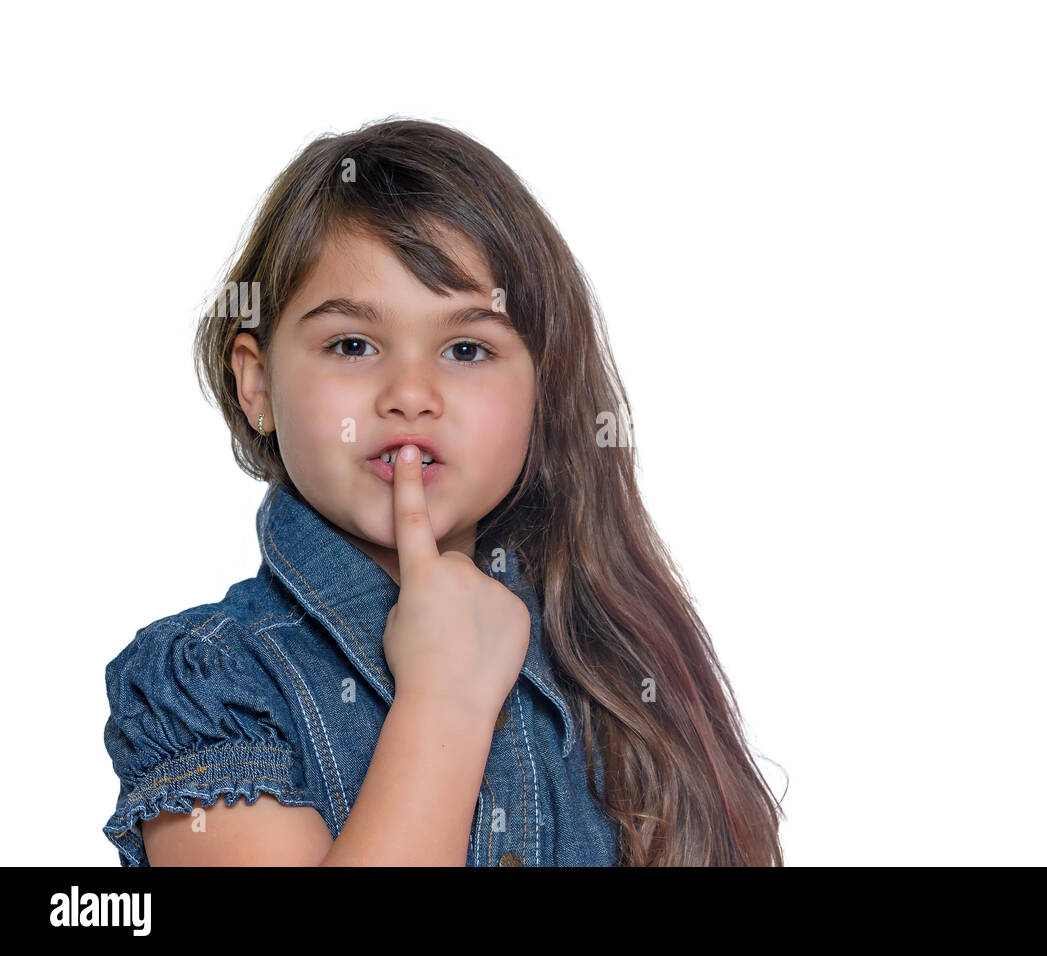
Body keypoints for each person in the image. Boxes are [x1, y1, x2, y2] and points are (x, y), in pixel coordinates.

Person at [101, 118, 785, 866]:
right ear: (257, 383)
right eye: (352, 345)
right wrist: (445, 698)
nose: (411, 393)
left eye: (466, 349)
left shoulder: (615, 673)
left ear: (539, 393)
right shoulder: (213, 681)